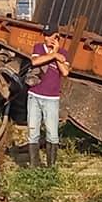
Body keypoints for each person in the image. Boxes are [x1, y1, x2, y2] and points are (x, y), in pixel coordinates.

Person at [27, 24, 70, 168]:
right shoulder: (38, 48)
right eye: (45, 35)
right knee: (33, 130)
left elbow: (65, 72)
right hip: (35, 94)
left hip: (52, 98)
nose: (47, 38)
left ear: (56, 37)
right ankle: (34, 164)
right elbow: (35, 61)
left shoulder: (64, 52)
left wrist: (57, 53)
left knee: (52, 133)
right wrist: (54, 55)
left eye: (50, 35)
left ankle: (51, 165)